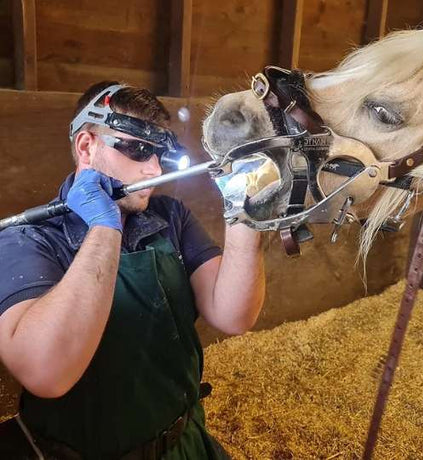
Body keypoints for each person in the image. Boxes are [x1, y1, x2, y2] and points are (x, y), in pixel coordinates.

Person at [0, 81, 265, 459]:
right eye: (138, 149)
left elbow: (234, 315)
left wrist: (246, 212)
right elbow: (46, 373)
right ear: (87, 147)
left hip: (182, 443)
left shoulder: (170, 217)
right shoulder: (28, 239)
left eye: (158, 153)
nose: (153, 168)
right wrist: (104, 227)